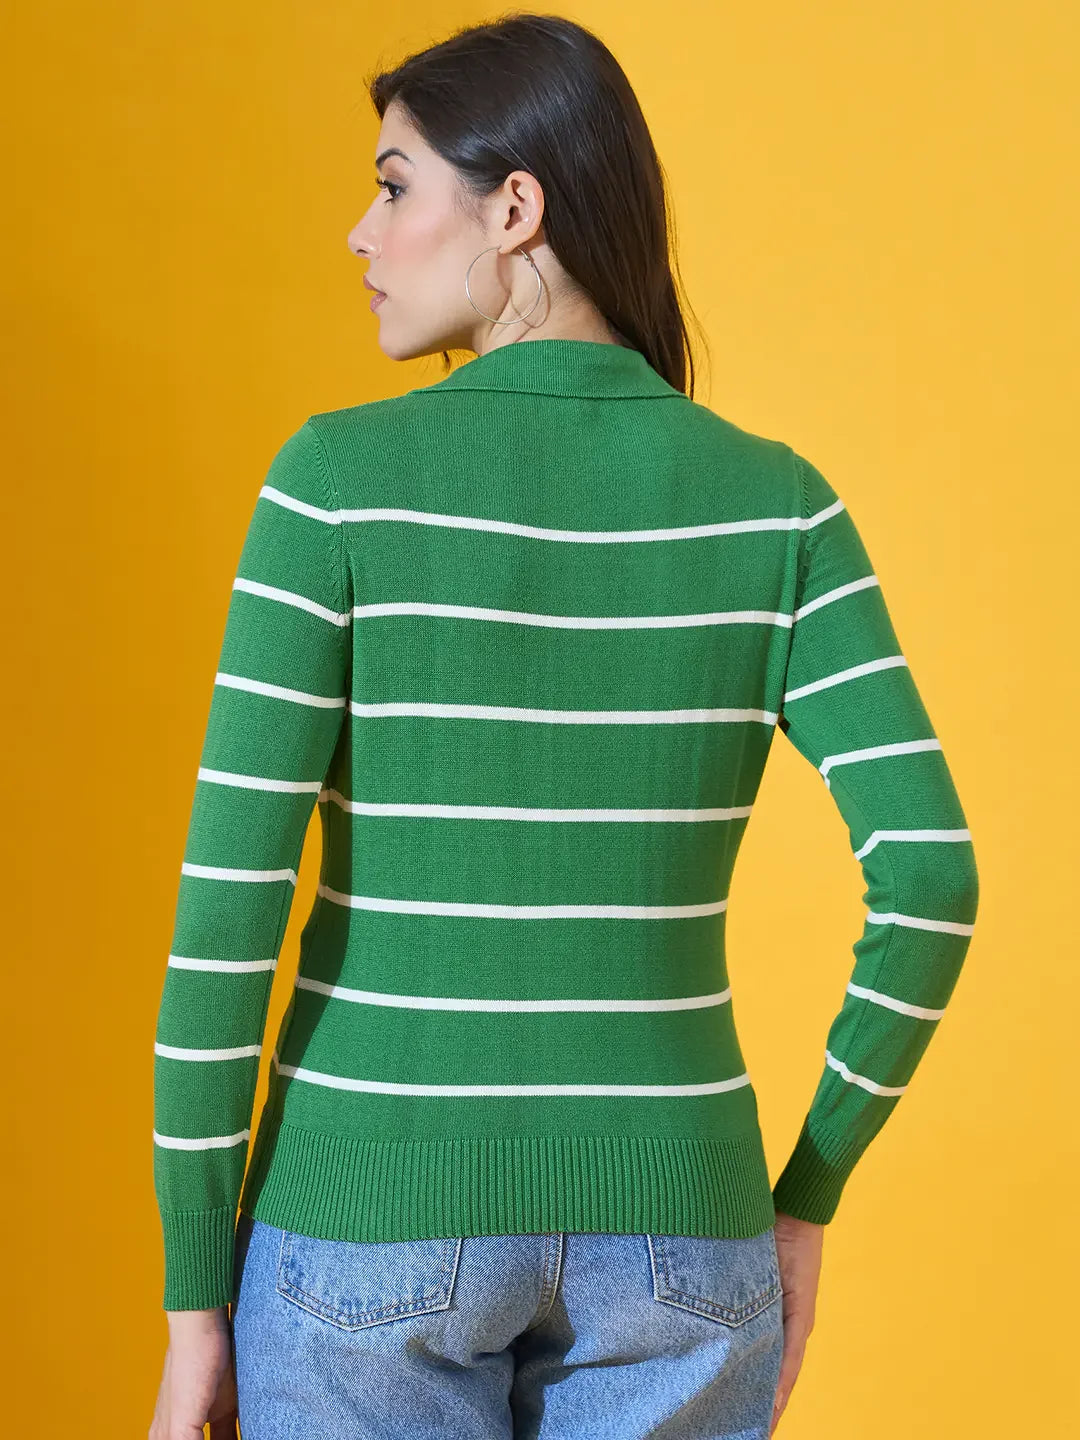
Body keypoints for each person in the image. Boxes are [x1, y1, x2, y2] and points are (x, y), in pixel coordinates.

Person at [149, 14, 979, 1440]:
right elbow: (933, 882)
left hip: (366, 1226)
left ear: (515, 206)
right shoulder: (781, 507)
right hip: (687, 1241)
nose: (361, 233)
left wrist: (189, 1309)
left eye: (395, 186)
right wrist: (807, 1194)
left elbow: (229, 920)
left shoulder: (333, 484)